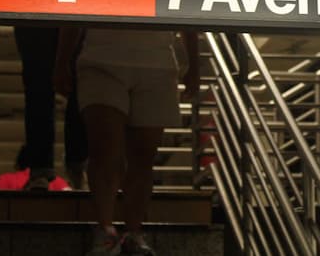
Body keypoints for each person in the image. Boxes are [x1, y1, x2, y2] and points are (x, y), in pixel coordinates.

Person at [54, 27, 199, 256]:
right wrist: (62, 60)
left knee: (143, 156)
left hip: (156, 62)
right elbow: (75, 10)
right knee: (105, 150)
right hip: (102, 58)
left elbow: (187, 15)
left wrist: (194, 63)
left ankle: (133, 232)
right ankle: (105, 229)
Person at [13, 26, 88, 190]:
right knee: (72, 88)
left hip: (40, 19)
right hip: (41, 19)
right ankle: (73, 164)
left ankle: (48, 168)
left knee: (40, 91)